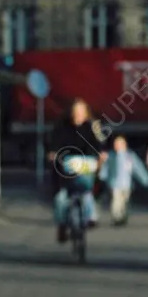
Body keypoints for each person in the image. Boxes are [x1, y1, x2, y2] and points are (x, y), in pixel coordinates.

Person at [47, 98, 107, 243]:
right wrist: (53, 154)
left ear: (86, 113)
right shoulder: (61, 126)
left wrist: (102, 155)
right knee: (61, 198)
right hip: (65, 166)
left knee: (86, 193)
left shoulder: (93, 126)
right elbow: (53, 144)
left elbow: (101, 144)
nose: (78, 114)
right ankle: (62, 226)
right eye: (76, 111)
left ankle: (89, 218)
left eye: (81, 111)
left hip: (86, 164)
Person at [98, 134, 148, 227]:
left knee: (125, 201)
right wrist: (102, 176)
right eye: (116, 144)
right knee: (116, 201)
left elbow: (138, 168)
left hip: (127, 184)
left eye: (120, 144)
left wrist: (145, 179)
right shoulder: (111, 156)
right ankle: (117, 217)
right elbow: (106, 167)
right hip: (114, 183)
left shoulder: (130, 156)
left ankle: (123, 215)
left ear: (124, 144)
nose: (117, 146)